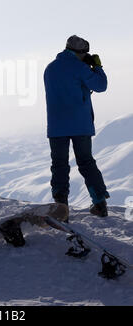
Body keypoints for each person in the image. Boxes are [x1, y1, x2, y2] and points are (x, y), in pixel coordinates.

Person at [43, 35, 110, 217]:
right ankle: (99, 204)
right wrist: (96, 67)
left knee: (59, 165)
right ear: (79, 52)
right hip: (80, 125)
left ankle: (61, 208)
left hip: (57, 126)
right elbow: (101, 86)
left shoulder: (50, 69)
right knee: (86, 162)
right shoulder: (81, 68)